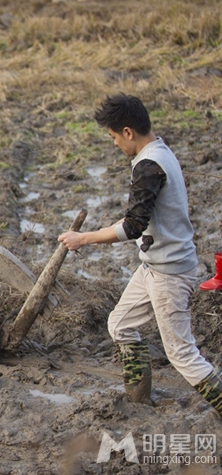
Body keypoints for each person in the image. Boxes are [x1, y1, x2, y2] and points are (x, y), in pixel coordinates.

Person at [57, 93, 221, 416]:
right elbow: (138, 219)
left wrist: (84, 239)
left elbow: (132, 226)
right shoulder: (158, 152)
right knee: (119, 324)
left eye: (114, 137)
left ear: (128, 132)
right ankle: (139, 401)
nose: (115, 144)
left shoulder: (148, 166)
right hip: (153, 267)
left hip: (170, 273)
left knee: (182, 355)